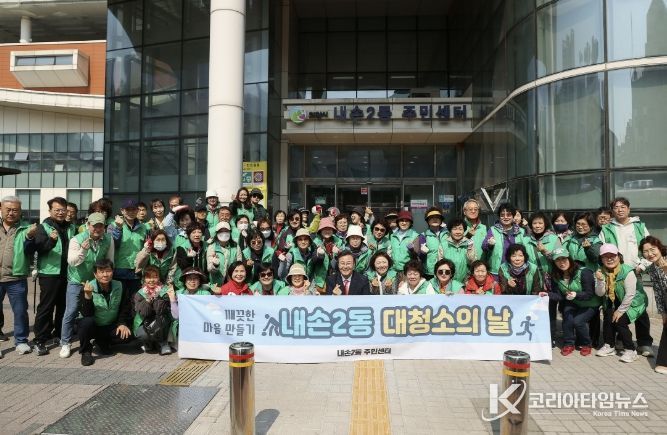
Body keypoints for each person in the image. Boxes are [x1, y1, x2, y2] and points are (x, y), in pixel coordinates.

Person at [600, 197, 653, 356]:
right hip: (615, 273)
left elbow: (649, 248)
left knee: (639, 308)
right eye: (616, 207)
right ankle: (620, 340)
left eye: (623, 207)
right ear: (612, 211)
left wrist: (642, 266)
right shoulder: (607, 229)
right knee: (616, 306)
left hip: (635, 272)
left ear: (629, 209)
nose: (620, 209)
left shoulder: (639, 226)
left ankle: (644, 343)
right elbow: (602, 250)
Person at [25, 196, 76, 356]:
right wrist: (52, 241)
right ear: (50, 211)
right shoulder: (43, 227)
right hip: (49, 273)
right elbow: (39, 249)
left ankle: (59, 334)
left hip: (67, 273)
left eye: (63, 210)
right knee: (46, 307)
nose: (61, 213)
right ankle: (40, 339)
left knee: (63, 306)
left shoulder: (71, 227)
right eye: (57, 210)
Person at [60, 212, 114, 359]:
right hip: (77, 280)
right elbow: (72, 262)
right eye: (94, 225)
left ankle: (94, 339)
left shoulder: (108, 239)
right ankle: (65, 342)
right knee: (71, 310)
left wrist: (105, 278)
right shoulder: (77, 239)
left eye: (100, 226)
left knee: (94, 312)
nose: (97, 229)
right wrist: (83, 250)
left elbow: (109, 261)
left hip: (95, 281)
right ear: (88, 225)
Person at [595, 244, 649, 363]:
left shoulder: (627, 271)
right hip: (615, 301)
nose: (609, 259)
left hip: (635, 303)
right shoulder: (601, 271)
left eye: (612, 256)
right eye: (605, 256)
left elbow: (630, 294)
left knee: (620, 321)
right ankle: (609, 345)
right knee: (608, 317)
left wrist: (620, 311)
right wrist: (600, 281)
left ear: (619, 257)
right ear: (601, 259)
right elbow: (600, 293)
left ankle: (631, 350)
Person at [77, 259, 132, 366]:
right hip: (94, 326)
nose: (105, 275)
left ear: (113, 272)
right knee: (86, 322)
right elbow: (86, 314)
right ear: (95, 274)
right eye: (101, 272)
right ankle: (86, 351)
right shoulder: (87, 287)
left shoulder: (120, 285)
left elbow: (125, 307)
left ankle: (102, 342)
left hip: (110, 325)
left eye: (108, 271)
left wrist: (122, 323)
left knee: (127, 335)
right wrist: (88, 296)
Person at [548, 248, 601, 357]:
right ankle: (568, 344)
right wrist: (547, 294)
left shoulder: (584, 272)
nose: (561, 263)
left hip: (590, 303)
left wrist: (576, 295)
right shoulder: (556, 276)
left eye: (564, 259)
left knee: (578, 321)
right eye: (558, 260)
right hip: (573, 302)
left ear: (570, 259)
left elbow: (589, 293)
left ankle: (586, 344)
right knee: (567, 318)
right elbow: (559, 296)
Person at [0, 196, 32, 355]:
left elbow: (32, 249)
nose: (11, 213)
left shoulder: (26, 229)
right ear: (1, 209)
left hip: (16, 277)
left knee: (20, 311)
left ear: (20, 212)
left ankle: (21, 341)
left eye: (15, 210)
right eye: (8, 209)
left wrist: (31, 237)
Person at [107, 199, 148, 297]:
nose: (131, 212)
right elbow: (112, 245)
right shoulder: (113, 225)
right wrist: (118, 228)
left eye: (133, 209)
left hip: (136, 271)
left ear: (137, 210)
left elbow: (146, 248)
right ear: (122, 211)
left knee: (135, 300)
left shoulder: (143, 228)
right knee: (119, 300)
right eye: (127, 209)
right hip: (119, 270)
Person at [639, 236, 667, 373]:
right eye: (645, 251)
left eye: (653, 249)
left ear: (659, 248)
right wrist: (663, 312)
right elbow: (658, 291)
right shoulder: (652, 268)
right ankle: (663, 363)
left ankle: (663, 363)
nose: (650, 254)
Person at [132, 265, 172, 355]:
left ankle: (163, 343)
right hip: (145, 321)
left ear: (159, 278)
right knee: (142, 334)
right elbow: (144, 313)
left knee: (161, 320)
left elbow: (159, 310)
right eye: (148, 277)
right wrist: (147, 301)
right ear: (144, 279)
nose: (151, 280)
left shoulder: (165, 291)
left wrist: (157, 297)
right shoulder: (140, 293)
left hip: (162, 322)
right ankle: (148, 343)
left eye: (155, 277)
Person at [166, 267, 211, 344]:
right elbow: (176, 316)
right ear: (185, 281)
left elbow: (209, 315)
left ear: (199, 281)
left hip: (200, 326)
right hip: (182, 327)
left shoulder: (206, 294)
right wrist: (172, 300)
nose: (192, 281)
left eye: (195, 278)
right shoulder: (178, 294)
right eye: (189, 278)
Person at [483, 203, 525, 277]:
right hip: (497, 273)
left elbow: (526, 252)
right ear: (499, 216)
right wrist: (489, 244)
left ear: (513, 216)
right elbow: (484, 247)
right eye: (502, 215)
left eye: (508, 215)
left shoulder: (521, 231)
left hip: (516, 273)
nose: (505, 217)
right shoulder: (493, 230)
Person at [414, 207, 448, 280]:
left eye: (437, 217)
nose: (435, 219)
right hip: (430, 273)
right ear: (427, 221)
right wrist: (422, 253)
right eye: (431, 217)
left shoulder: (448, 234)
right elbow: (419, 258)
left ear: (441, 220)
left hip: (447, 271)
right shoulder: (423, 236)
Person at [207, 221, 242, 286]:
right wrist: (215, 265)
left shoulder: (236, 247)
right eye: (221, 231)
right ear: (217, 233)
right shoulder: (212, 247)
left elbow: (239, 264)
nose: (224, 233)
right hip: (216, 284)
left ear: (230, 232)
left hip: (232, 282)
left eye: (226, 231)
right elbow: (210, 269)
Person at [442, 218, 476, 284]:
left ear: (464, 231)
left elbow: (473, 262)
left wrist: (469, 249)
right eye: (454, 229)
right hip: (447, 283)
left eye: (460, 229)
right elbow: (439, 266)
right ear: (450, 231)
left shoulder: (469, 244)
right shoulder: (443, 245)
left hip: (465, 282)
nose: (458, 232)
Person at [312, 217, 341, 293]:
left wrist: (338, 254)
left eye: (329, 229)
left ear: (333, 230)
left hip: (336, 280)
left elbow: (343, 260)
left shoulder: (339, 242)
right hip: (320, 281)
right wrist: (320, 256)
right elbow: (313, 262)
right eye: (324, 229)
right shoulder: (315, 243)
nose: (327, 231)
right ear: (320, 230)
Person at [175, 222, 208, 288]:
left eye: (199, 232)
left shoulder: (207, 246)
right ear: (188, 235)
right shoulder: (181, 248)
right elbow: (183, 266)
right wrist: (189, 258)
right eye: (193, 232)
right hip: (185, 283)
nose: (197, 235)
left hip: (202, 282)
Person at [389, 210, 418, 276]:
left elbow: (417, 255)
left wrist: (412, 250)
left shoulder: (415, 236)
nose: (404, 223)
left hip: (407, 271)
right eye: (401, 220)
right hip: (393, 270)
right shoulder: (392, 236)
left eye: (407, 221)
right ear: (398, 222)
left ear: (410, 223)